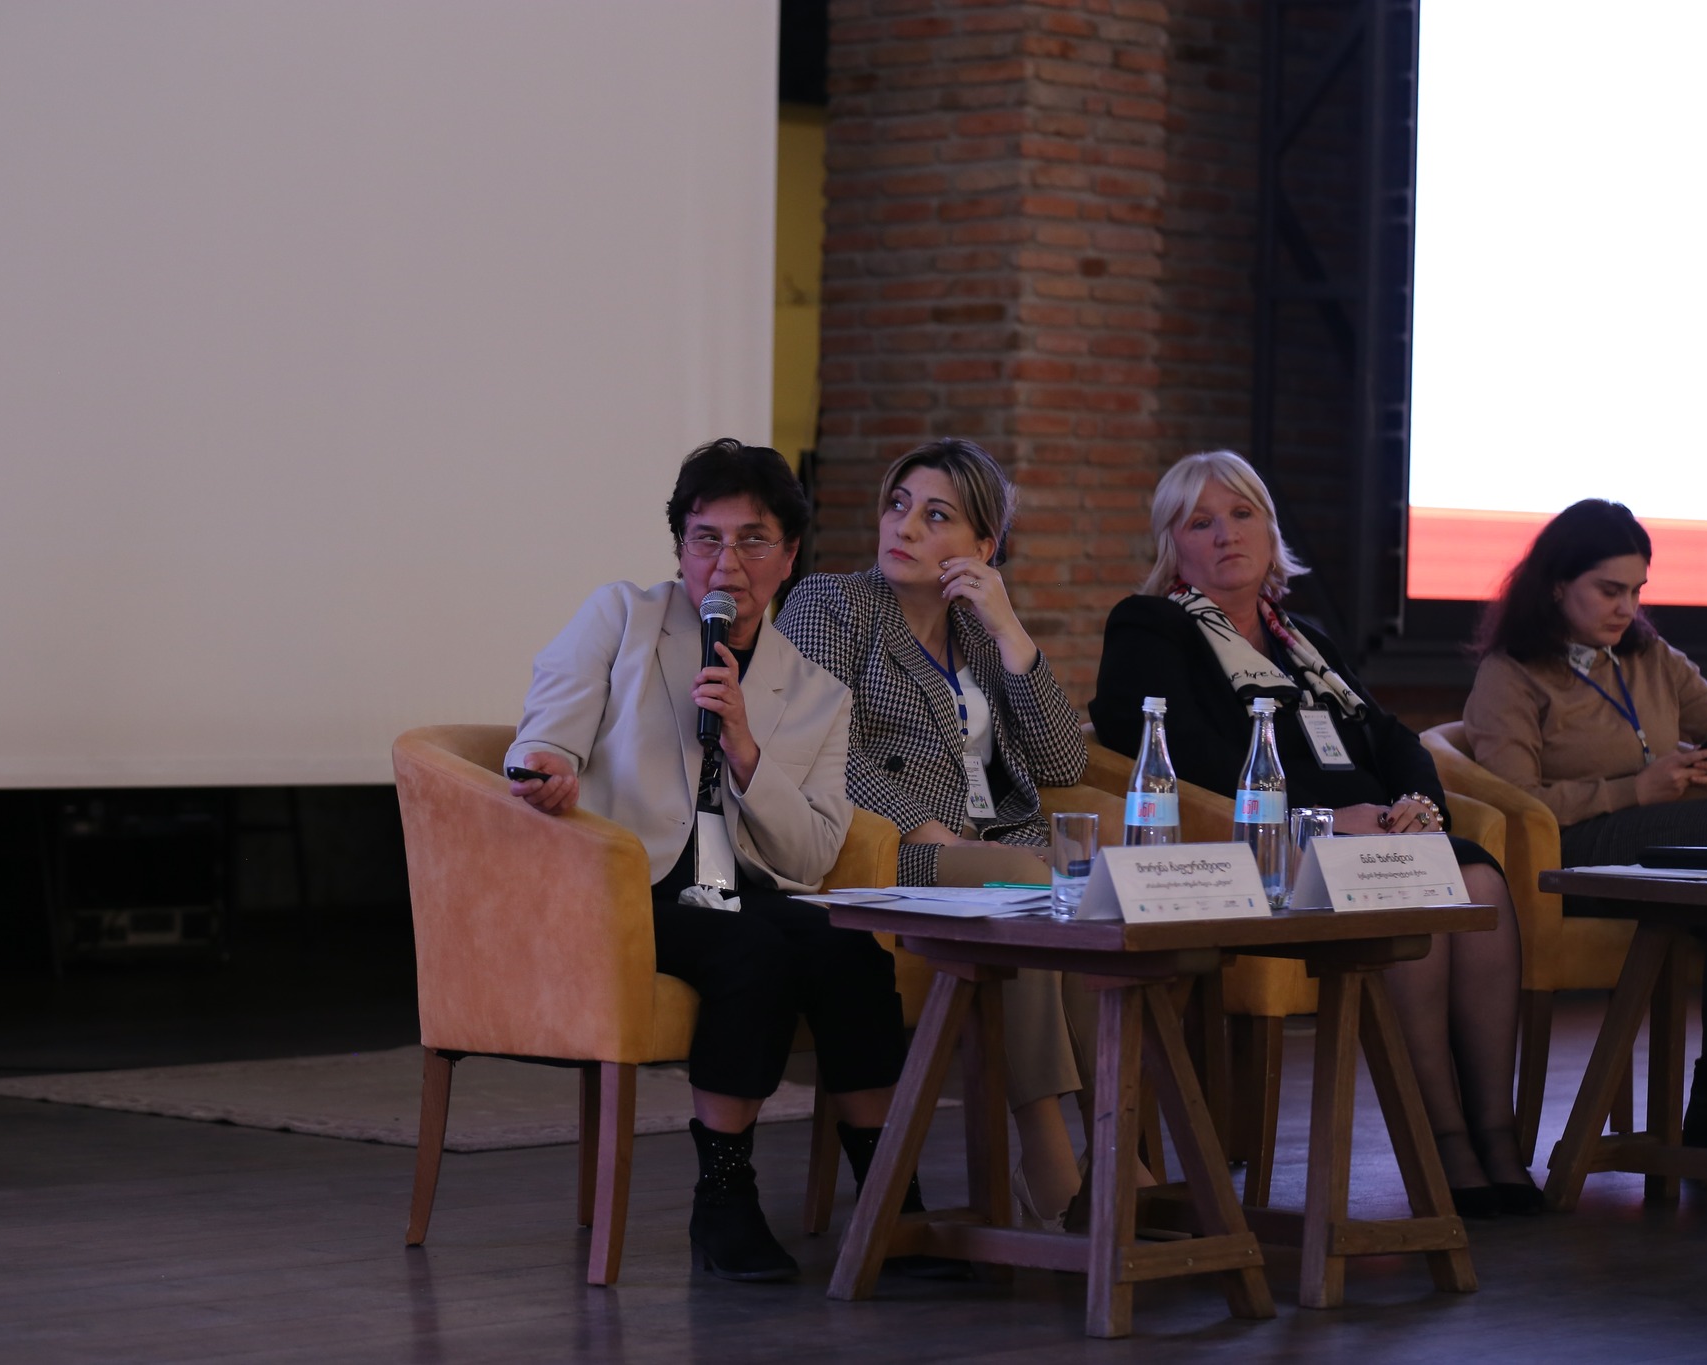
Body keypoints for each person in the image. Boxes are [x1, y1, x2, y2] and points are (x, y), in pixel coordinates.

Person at [506, 439, 921, 1282]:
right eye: (706, 539)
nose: (726, 563)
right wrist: (546, 763)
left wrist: (744, 747)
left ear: (790, 555)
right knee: (750, 947)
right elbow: (550, 726)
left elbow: (812, 854)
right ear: (680, 549)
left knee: (846, 946)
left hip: (739, 881)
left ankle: (891, 1197)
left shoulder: (816, 692)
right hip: (626, 886)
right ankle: (724, 1199)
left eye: (752, 540)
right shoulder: (623, 618)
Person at [1090, 449, 1537, 1216]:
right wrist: (1320, 820)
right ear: (1173, 545)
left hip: (1371, 832)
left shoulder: (1304, 640)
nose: (1227, 534)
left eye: (1243, 514)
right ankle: (1444, 1144)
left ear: (1270, 532)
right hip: (1267, 849)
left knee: (1478, 878)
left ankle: (1497, 1137)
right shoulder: (1151, 626)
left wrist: (1417, 805)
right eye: (1200, 522)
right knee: (1411, 888)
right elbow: (1186, 755)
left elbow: (1391, 737)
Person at [777, 437, 1098, 1230]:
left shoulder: (978, 632)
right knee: (1029, 881)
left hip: (1003, 848)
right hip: (893, 853)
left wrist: (1009, 628)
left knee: (1098, 884)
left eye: (936, 515)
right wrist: (934, 832)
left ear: (982, 547)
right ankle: (1046, 1148)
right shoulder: (831, 604)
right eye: (898, 505)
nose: (906, 526)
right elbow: (824, 750)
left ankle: (1119, 1146)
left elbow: (1062, 760)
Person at [1463, 498, 1707, 1144]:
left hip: (1669, 847)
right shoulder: (1510, 674)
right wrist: (1636, 790)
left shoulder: (1651, 658)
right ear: (1557, 584)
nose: (1627, 608)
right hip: (1572, 853)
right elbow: (1517, 801)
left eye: (1637, 591)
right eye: (1610, 590)